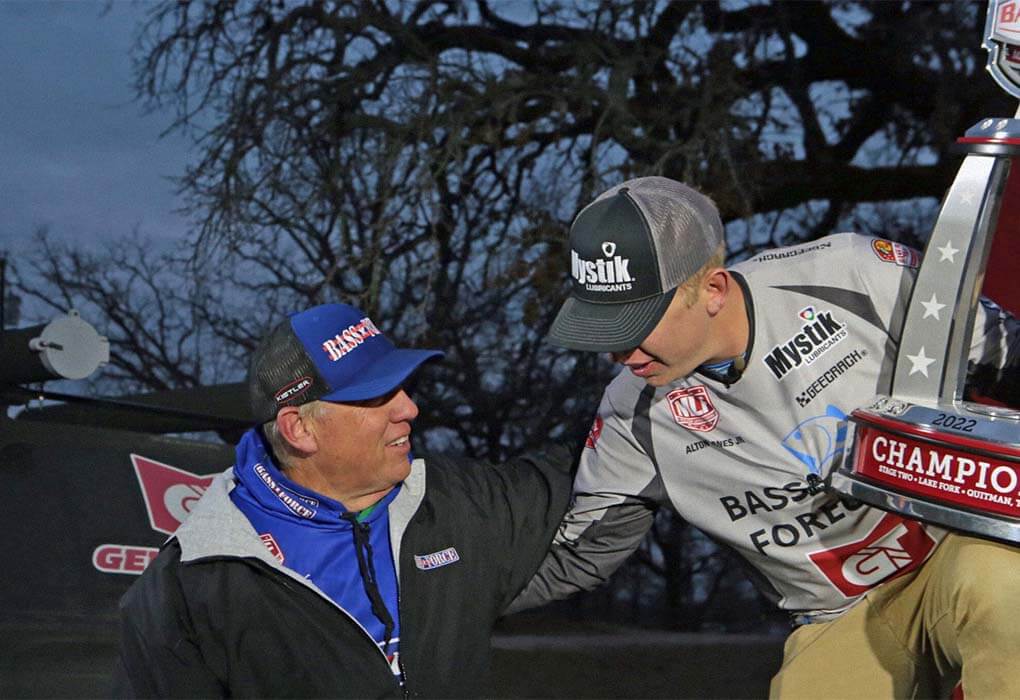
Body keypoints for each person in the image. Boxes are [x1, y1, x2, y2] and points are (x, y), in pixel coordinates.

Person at [509, 176, 1020, 698]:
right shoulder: (629, 411)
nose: (617, 352)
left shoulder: (851, 273)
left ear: (712, 289)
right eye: (601, 326)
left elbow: (1009, 358)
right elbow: (580, 555)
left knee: (1004, 586)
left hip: (954, 552)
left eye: (634, 322)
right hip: (837, 613)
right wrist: (439, 590)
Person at [112, 302, 574, 698]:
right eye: (377, 395)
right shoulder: (188, 589)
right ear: (300, 429)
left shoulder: (451, 500)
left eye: (404, 388)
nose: (409, 408)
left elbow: (596, 490)